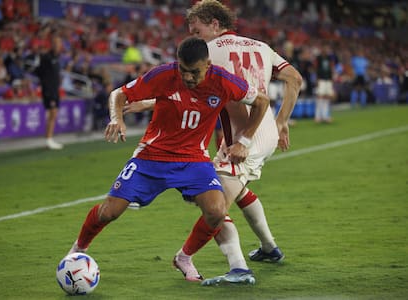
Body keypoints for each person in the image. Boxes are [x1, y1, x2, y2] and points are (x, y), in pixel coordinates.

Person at [67, 37, 271, 285]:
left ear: (207, 64)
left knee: (217, 211)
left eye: (194, 72)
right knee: (109, 212)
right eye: (183, 71)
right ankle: (77, 250)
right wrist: (116, 118)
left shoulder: (224, 80)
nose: (187, 77)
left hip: (194, 160)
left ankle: (184, 258)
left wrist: (245, 141)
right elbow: (119, 94)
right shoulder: (163, 75)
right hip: (151, 156)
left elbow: (261, 101)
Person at [127, 0, 302, 286]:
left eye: (197, 31)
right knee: (237, 190)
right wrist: (281, 122)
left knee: (214, 203)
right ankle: (269, 249)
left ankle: (237, 268)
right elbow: (294, 78)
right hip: (265, 128)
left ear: (214, 25)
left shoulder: (209, 53)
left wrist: (145, 102)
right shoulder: (260, 46)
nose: (194, 38)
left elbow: (181, 88)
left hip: (245, 135)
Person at [34, 35, 63, 150]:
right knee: (52, 114)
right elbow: (41, 74)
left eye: (59, 43)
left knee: (54, 114)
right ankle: (48, 139)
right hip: (49, 90)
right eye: (55, 43)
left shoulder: (57, 57)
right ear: (52, 44)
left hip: (55, 90)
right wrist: (47, 90)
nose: (57, 46)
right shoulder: (46, 57)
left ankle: (49, 139)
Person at [314, 44, 335, 123]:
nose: (326, 49)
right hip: (321, 79)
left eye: (327, 48)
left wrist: (332, 79)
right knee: (320, 97)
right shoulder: (318, 58)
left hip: (328, 79)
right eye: (324, 48)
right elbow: (316, 69)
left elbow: (331, 69)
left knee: (327, 97)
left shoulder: (330, 58)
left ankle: (325, 116)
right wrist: (317, 79)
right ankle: (318, 116)